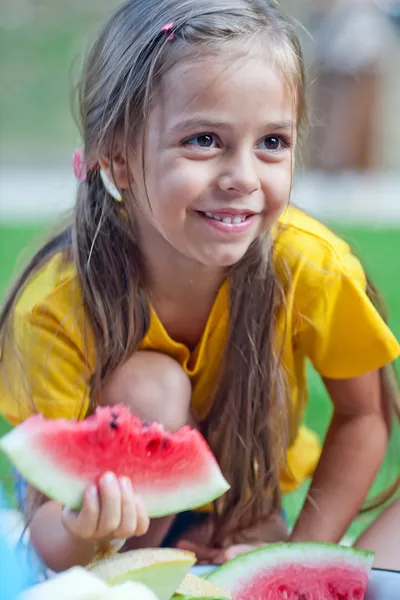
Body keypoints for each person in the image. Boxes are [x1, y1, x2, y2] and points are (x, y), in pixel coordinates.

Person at [0, 0, 399, 573]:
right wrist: (80, 527)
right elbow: (50, 536)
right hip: (117, 550)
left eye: (272, 143)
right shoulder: (57, 306)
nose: (242, 177)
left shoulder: (311, 266)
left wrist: (297, 555)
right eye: (205, 140)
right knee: (151, 387)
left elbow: (365, 416)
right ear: (116, 161)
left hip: (250, 517)